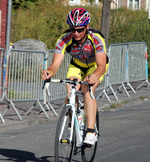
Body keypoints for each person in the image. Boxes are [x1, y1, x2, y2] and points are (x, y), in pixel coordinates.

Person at [41, 8, 109, 145]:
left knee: (86, 90)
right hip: (77, 65)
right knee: (70, 90)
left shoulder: (96, 38)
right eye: (73, 29)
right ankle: (73, 124)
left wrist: (95, 76)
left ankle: (90, 131)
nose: (76, 33)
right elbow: (55, 65)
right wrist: (49, 71)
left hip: (95, 66)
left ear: (87, 27)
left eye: (80, 30)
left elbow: (101, 65)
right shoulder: (64, 39)